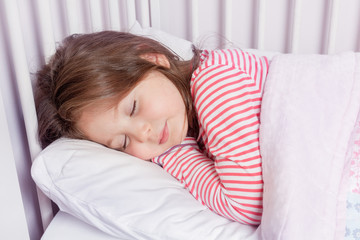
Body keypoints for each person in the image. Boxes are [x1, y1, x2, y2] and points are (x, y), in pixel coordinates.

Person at [35, 31, 268, 225]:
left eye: (133, 107)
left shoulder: (215, 82)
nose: (142, 133)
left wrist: (176, 154)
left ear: (154, 59)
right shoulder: (189, 120)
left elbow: (246, 205)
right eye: (123, 142)